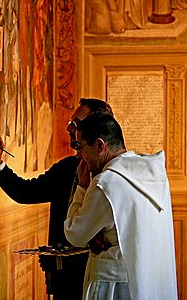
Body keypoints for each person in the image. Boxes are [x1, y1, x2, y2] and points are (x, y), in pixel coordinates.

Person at [0, 98, 113, 300]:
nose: (70, 129)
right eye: (70, 123)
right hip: (64, 279)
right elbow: (26, 192)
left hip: (99, 278)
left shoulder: (114, 176)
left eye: (76, 124)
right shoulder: (67, 169)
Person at [64, 113, 178, 300]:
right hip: (150, 278)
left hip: (113, 286)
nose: (81, 156)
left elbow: (75, 233)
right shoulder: (154, 174)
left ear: (100, 145)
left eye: (81, 147)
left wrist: (82, 188)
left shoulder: (107, 183)